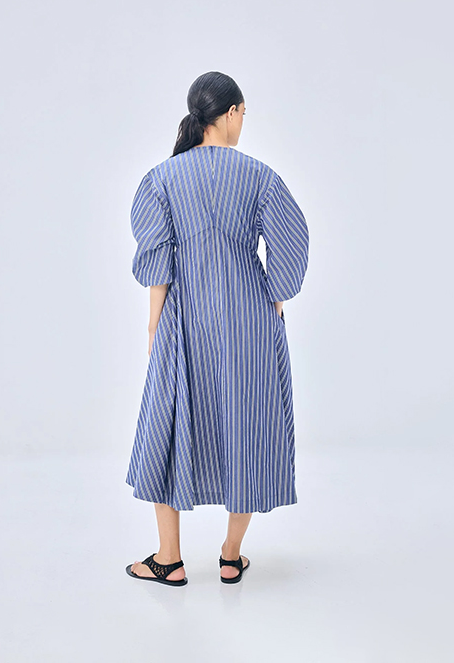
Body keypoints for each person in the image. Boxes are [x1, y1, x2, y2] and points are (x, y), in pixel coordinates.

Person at [125, 71, 310, 586]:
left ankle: (169, 560)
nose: (243, 122)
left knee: (167, 429)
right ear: (229, 113)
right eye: (243, 113)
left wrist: (153, 326)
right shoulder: (260, 177)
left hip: (184, 321)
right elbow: (292, 242)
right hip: (250, 323)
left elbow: (157, 263)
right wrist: (274, 298)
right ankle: (230, 555)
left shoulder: (161, 179)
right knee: (247, 428)